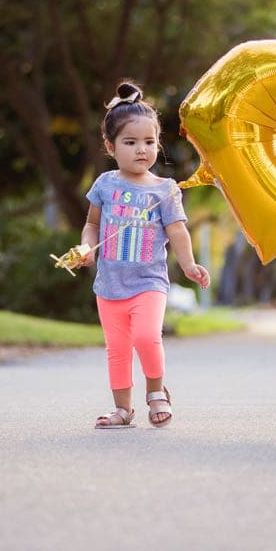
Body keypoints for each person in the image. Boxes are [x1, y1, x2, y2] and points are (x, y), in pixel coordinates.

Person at [78, 81, 210, 429]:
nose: (142, 150)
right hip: (109, 284)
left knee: (146, 337)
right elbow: (92, 225)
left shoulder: (165, 190)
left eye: (149, 142)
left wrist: (188, 264)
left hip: (149, 281)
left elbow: (177, 230)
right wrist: (84, 249)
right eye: (131, 142)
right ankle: (123, 409)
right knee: (117, 348)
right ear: (110, 146)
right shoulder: (105, 185)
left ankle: (156, 393)